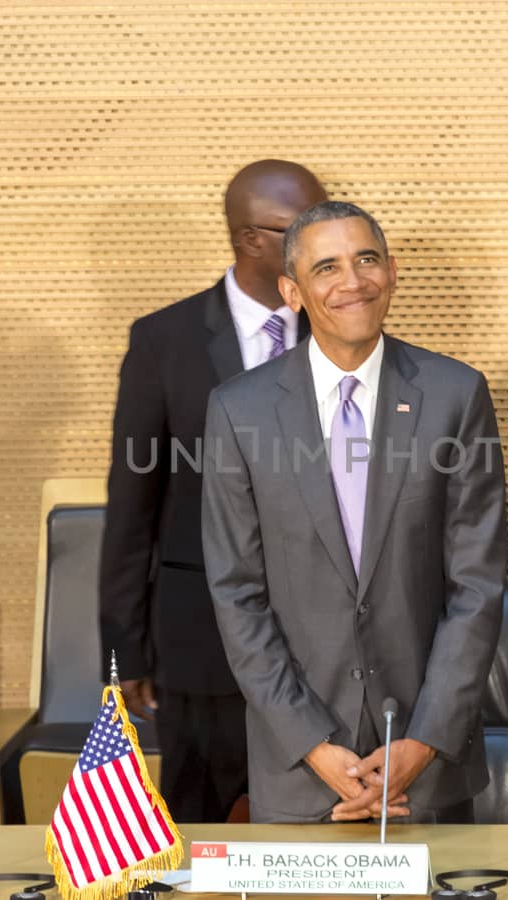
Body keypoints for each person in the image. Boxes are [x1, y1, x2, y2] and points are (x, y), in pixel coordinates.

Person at [202, 200, 505, 824]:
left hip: (428, 771)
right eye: (327, 267)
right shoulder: (239, 410)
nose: (353, 282)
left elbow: (476, 586)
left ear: (391, 272)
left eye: (367, 260)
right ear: (292, 290)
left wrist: (421, 743)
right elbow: (237, 595)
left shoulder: (456, 396)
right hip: (302, 771)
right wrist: (314, 745)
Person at [99, 159, 327, 823]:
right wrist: (126, 648)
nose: (323, 244)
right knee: (203, 822)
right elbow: (132, 506)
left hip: (324, 638)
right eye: (301, 230)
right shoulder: (164, 341)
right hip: (201, 636)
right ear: (252, 239)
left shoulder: (342, 330)